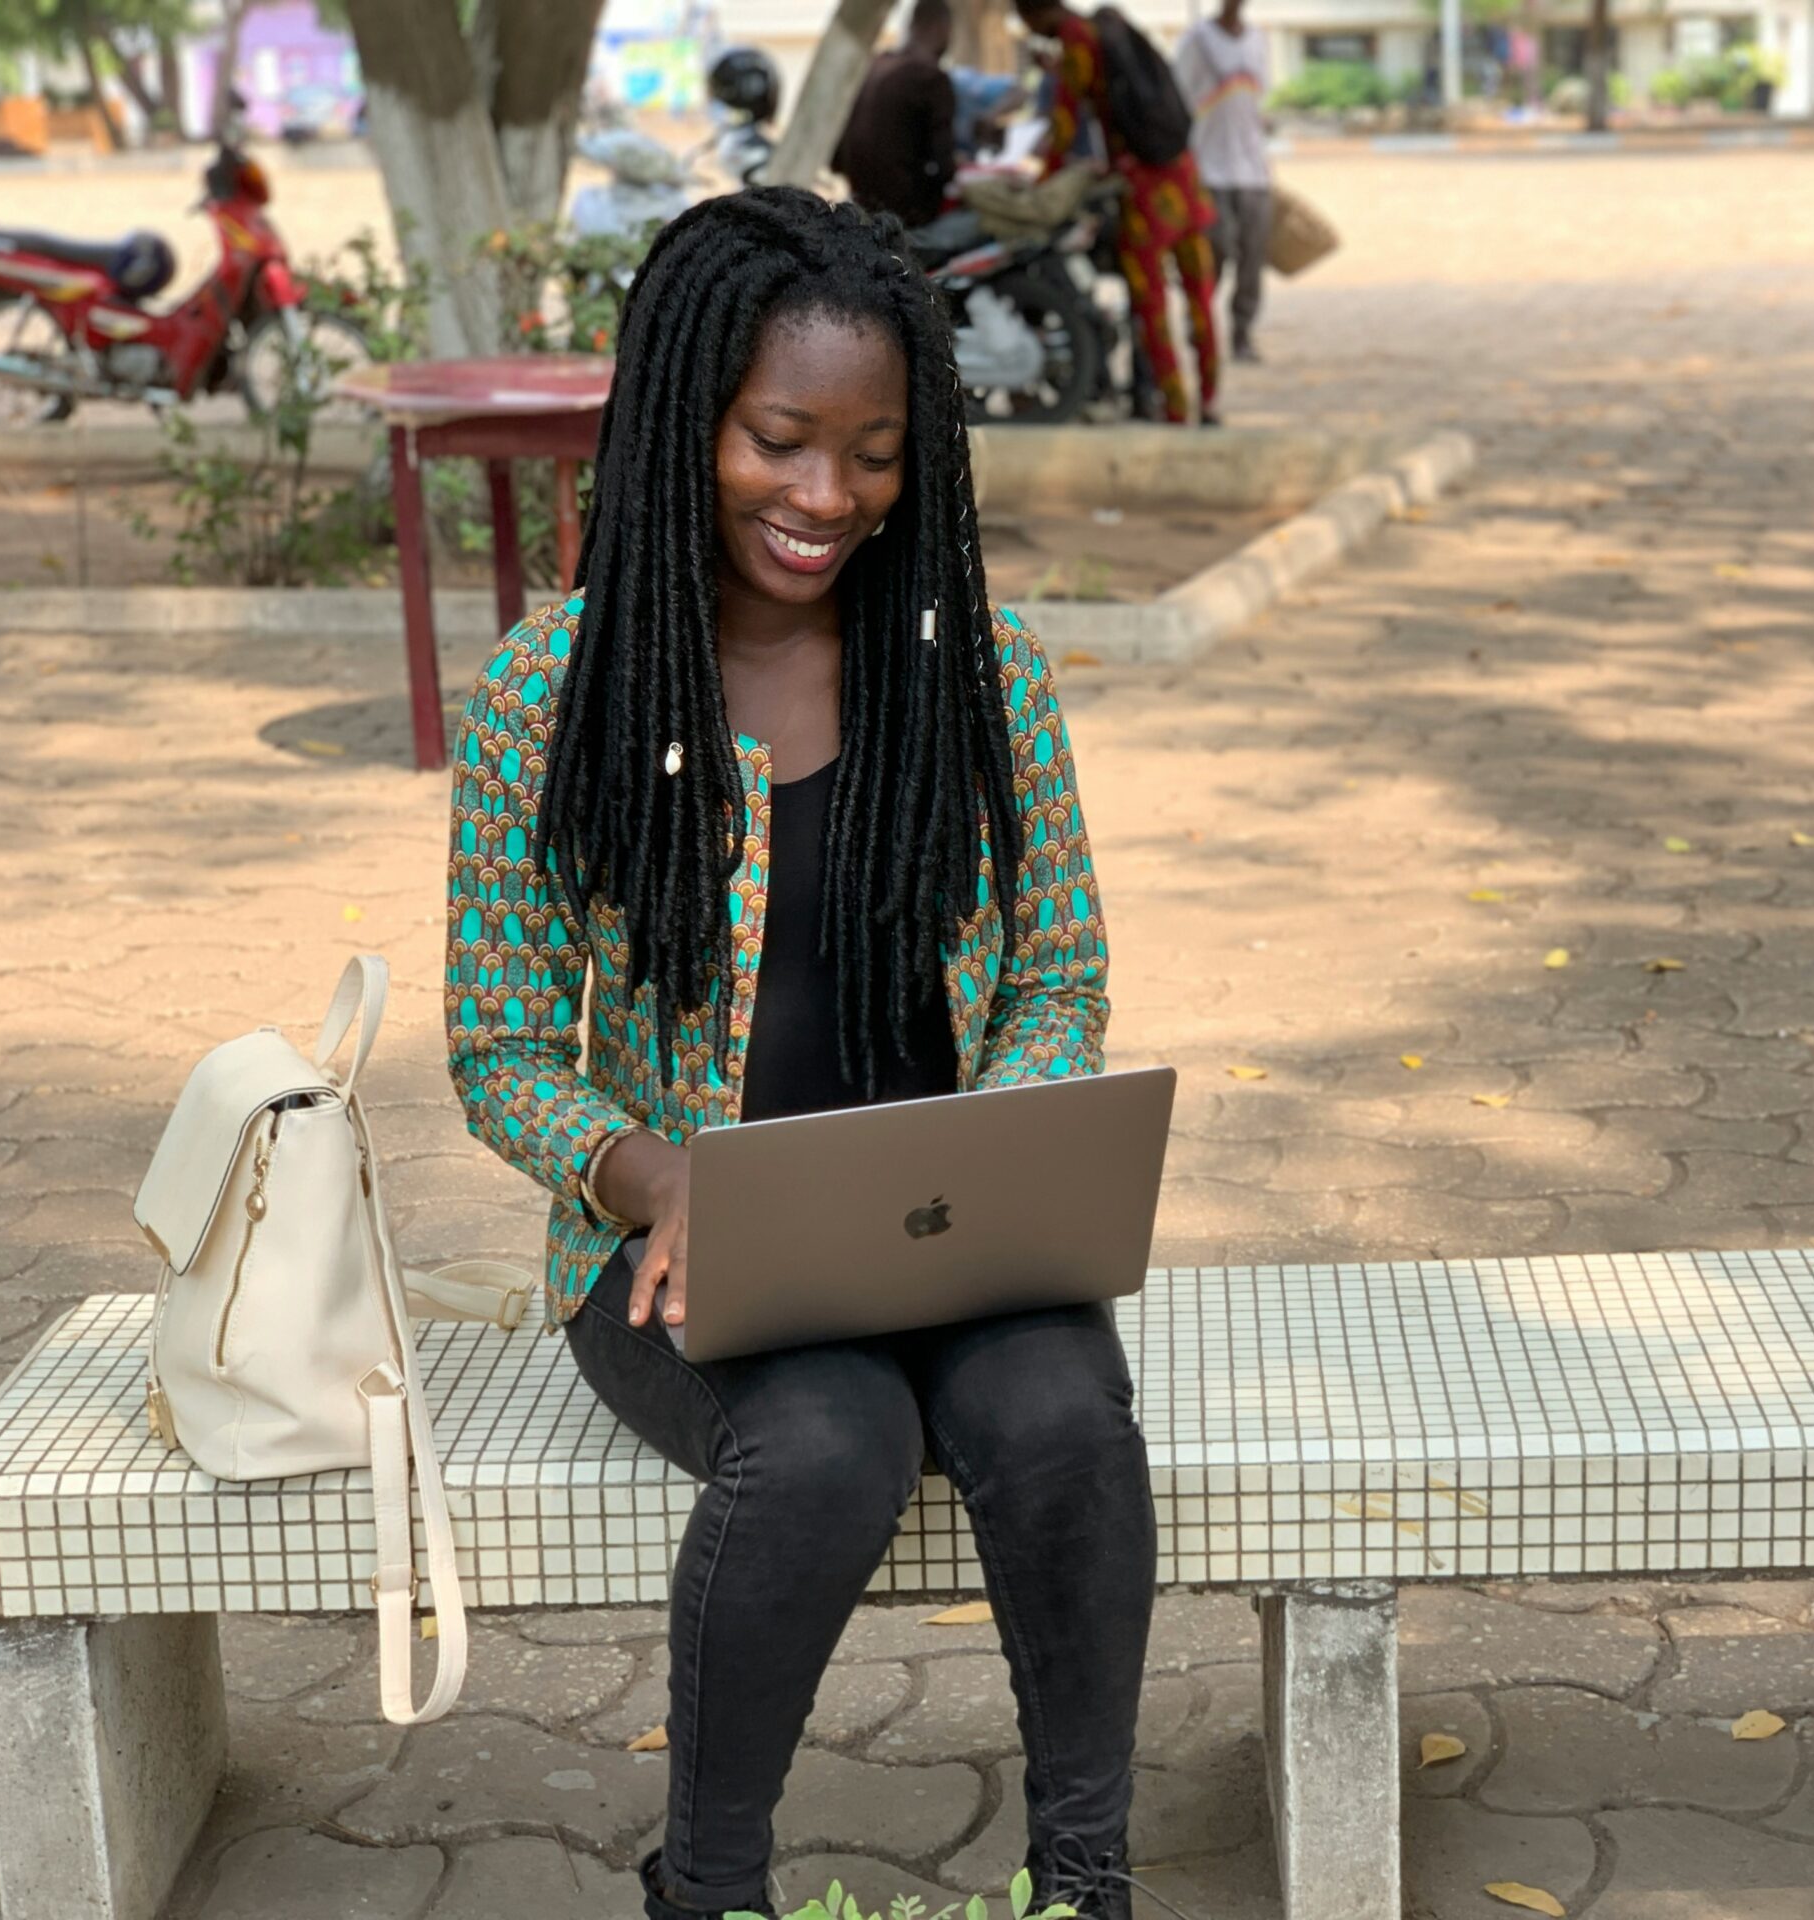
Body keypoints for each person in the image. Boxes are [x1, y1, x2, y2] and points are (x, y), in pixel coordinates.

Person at [443, 189, 1153, 1920]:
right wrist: (651, 1172)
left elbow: (1059, 970)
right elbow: (503, 1042)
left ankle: (1086, 1881)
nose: (826, 497)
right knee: (827, 1445)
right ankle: (708, 1888)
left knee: (1063, 1413)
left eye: (876, 453)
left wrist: (1008, 1134)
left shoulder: (976, 674)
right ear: (690, 415)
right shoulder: (559, 694)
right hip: (683, 1255)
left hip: (951, 1232)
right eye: (779, 439)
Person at [1018, 0, 1221, 424]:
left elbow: (1065, 122)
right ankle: (1211, 400)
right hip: (1184, 176)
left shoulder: (1077, 39)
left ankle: (1177, 411)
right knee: (1200, 297)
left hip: (1145, 193)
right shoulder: (1109, 25)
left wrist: (1044, 185)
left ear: (1030, 15)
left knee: (1152, 306)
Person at [1171, 0, 1270, 364]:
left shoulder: (1258, 39)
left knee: (1253, 259)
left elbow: (1259, 101)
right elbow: (1179, 97)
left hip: (1253, 170)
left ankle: (1241, 332)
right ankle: (1199, 323)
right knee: (1218, 250)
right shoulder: (1196, 40)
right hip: (1209, 167)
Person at [835, 0, 960, 229]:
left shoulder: (872, 67)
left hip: (861, 207)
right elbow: (945, 168)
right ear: (943, 29)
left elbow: (836, 159)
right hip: (908, 218)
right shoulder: (931, 77)